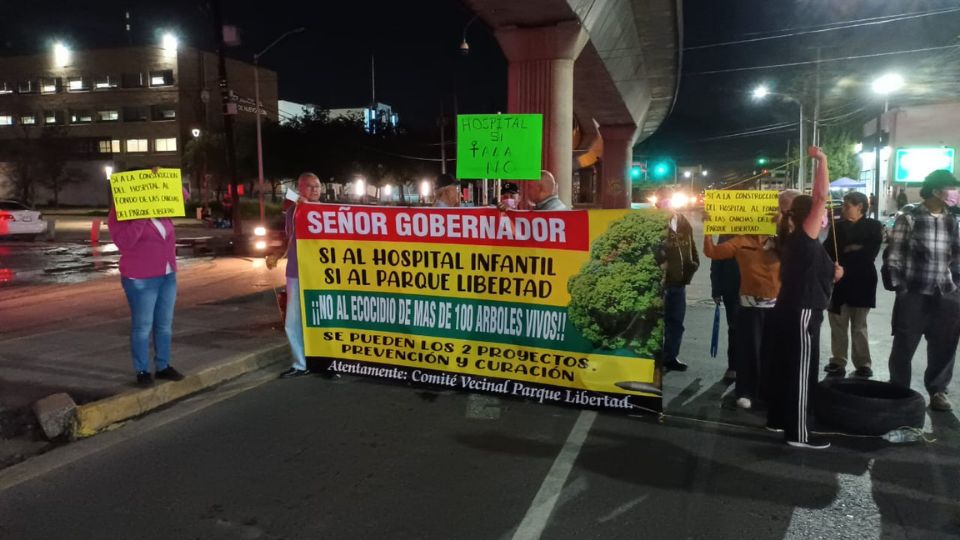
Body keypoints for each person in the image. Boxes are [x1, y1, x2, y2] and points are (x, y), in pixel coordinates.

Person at [766, 147, 841, 449]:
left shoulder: (792, 236)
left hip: (790, 307)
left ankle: (777, 420)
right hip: (803, 311)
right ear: (811, 215)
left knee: (785, 366)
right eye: (819, 213)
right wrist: (822, 161)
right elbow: (821, 197)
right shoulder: (802, 236)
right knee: (801, 371)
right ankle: (798, 434)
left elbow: (810, 270)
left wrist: (831, 273)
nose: (823, 215)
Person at [884, 169, 960, 412]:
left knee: (945, 344)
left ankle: (938, 390)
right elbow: (894, 254)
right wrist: (900, 288)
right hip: (914, 291)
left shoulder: (953, 219)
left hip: (946, 291)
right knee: (905, 342)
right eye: (952, 188)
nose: (955, 193)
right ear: (937, 190)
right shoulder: (910, 216)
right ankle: (898, 388)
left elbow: (957, 254)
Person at [108, 181, 186, 387]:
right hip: (140, 277)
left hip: (167, 274)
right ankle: (142, 370)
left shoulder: (161, 207)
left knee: (164, 325)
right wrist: (141, 216)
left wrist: (164, 180)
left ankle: (163, 366)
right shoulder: (121, 211)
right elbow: (124, 242)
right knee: (142, 327)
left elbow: (183, 196)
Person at [703, 228, 781, 409]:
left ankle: (766, 390)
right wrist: (708, 229)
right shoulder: (739, 241)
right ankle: (746, 391)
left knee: (770, 350)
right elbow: (712, 253)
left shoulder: (780, 242)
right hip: (748, 305)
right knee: (748, 348)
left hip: (776, 307)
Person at [266, 172, 323, 378]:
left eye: (317, 186)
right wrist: (276, 255)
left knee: (323, 318)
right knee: (293, 320)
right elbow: (289, 239)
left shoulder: (325, 212)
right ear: (300, 189)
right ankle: (300, 363)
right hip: (296, 273)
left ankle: (329, 362)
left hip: (321, 274)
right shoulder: (292, 212)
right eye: (310, 186)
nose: (315, 189)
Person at [823, 192, 884, 378]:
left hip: (863, 280)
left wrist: (849, 250)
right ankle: (838, 360)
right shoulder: (837, 227)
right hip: (839, 281)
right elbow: (828, 251)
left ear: (860, 207)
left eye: (847, 205)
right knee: (838, 324)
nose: (843, 209)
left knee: (859, 325)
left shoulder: (874, 226)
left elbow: (870, 252)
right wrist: (854, 248)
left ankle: (863, 362)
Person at [658, 209, 699, 372]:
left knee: (676, 322)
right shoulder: (653, 221)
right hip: (660, 283)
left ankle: (670, 357)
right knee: (655, 323)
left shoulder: (682, 221)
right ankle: (654, 359)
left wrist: (693, 264)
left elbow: (691, 245)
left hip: (679, 283)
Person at [708, 236, 740, 382]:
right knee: (734, 329)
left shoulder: (761, 229)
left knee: (755, 331)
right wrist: (716, 289)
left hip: (756, 289)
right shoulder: (727, 229)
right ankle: (733, 366)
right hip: (732, 289)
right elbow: (717, 259)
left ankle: (751, 366)